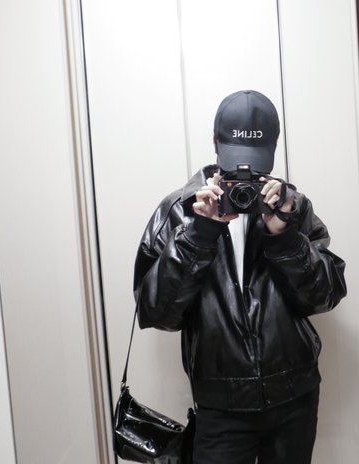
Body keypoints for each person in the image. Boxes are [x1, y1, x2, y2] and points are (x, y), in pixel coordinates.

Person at [133, 90, 347, 463]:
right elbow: (156, 313)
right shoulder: (180, 211)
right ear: (215, 143)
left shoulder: (291, 207)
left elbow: (325, 296)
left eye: (256, 160)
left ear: (273, 149)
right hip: (221, 409)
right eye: (236, 158)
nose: (246, 172)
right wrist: (198, 235)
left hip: (294, 398)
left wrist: (285, 237)